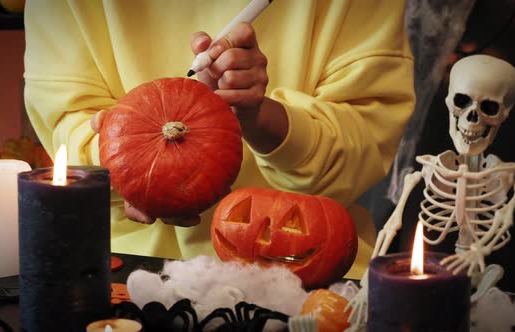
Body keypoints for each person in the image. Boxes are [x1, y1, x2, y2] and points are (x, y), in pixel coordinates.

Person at [23, 0, 415, 280]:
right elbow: (67, 127)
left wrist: (259, 117)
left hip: (307, 275)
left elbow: (368, 140)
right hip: (120, 265)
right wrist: (134, 168)